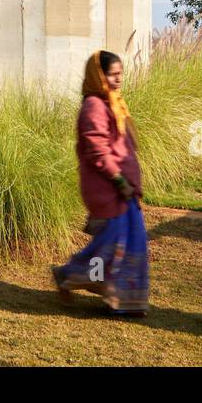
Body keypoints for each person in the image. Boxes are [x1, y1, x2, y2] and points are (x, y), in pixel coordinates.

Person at [51, 50, 149, 316]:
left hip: (123, 189)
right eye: (113, 74)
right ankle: (70, 275)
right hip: (108, 188)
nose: (119, 79)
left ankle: (123, 298)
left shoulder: (114, 103)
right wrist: (119, 180)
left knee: (132, 241)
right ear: (99, 76)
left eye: (120, 74)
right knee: (109, 245)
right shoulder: (94, 106)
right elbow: (97, 150)